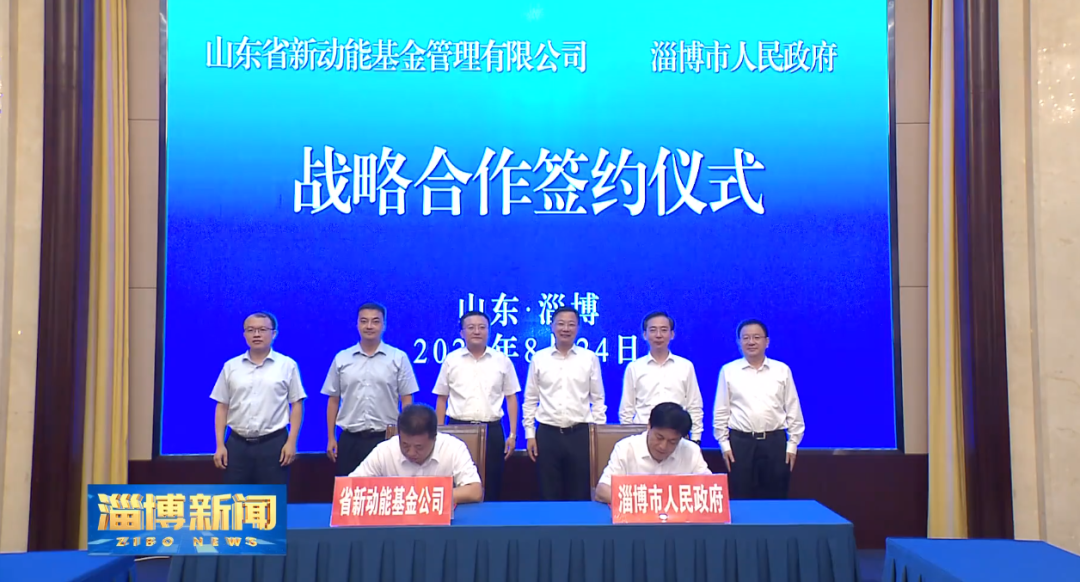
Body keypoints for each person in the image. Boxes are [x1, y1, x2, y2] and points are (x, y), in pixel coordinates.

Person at [323, 302, 420, 476]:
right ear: (357, 324)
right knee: (349, 489)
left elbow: (407, 400)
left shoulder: (398, 358)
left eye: (375, 321)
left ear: (384, 325)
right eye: (364, 321)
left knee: (386, 490)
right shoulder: (342, 358)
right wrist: (331, 437)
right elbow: (333, 401)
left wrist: (404, 436)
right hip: (350, 439)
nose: (369, 326)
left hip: (386, 439)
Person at [713, 319, 805, 499]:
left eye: (756, 337)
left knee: (776, 497)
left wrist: (793, 444)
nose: (751, 342)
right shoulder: (728, 371)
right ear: (739, 342)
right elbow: (721, 411)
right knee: (740, 496)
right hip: (740, 443)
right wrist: (724, 444)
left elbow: (793, 408)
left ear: (767, 341)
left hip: (775, 442)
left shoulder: (782, 370)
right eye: (745, 338)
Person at [433, 310, 520, 501]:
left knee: (493, 483)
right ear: (462, 332)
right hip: (458, 429)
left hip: (492, 430)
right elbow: (441, 398)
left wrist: (513, 435)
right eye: (471, 327)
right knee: (458, 483)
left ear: (489, 331)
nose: (477, 331)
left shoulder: (502, 360)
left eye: (482, 327)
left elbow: (511, 398)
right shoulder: (451, 360)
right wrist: (439, 432)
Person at [522, 306, 607, 501]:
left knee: (580, 493)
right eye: (560, 324)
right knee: (548, 493)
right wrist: (530, 434)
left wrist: (597, 434)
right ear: (551, 326)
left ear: (578, 327)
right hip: (547, 434)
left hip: (580, 434)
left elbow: (598, 399)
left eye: (571, 324)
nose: (565, 329)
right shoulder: (539, 358)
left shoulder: (589, 358)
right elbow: (530, 399)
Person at [211, 312, 306, 485]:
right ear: (244, 334)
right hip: (237, 445)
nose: (256, 334)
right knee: (236, 498)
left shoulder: (287, 365)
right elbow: (222, 406)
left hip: (274, 444)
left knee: (272, 498)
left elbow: (297, 405)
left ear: (274, 333)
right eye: (251, 330)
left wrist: (292, 442)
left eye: (262, 330)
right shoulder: (231, 366)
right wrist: (219, 445)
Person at [350, 404, 484, 505]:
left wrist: (428, 497)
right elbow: (350, 488)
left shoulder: (453, 448)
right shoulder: (385, 451)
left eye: (419, 447)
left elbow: (475, 491)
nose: (411, 453)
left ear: (434, 438)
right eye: (405, 445)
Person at [595, 402, 711, 504]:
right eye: (659, 437)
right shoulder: (626, 448)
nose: (663, 446)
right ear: (649, 425)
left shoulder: (691, 451)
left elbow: (710, 489)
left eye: (672, 441)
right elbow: (602, 490)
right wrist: (646, 504)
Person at [618, 311, 705, 443]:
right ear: (644, 334)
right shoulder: (634, 367)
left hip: (677, 435)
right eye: (653, 330)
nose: (658, 335)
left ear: (672, 334)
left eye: (664, 330)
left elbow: (694, 405)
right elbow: (627, 409)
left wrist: (696, 438)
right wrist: (629, 439)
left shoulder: (685, 366)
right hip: (642, 436)